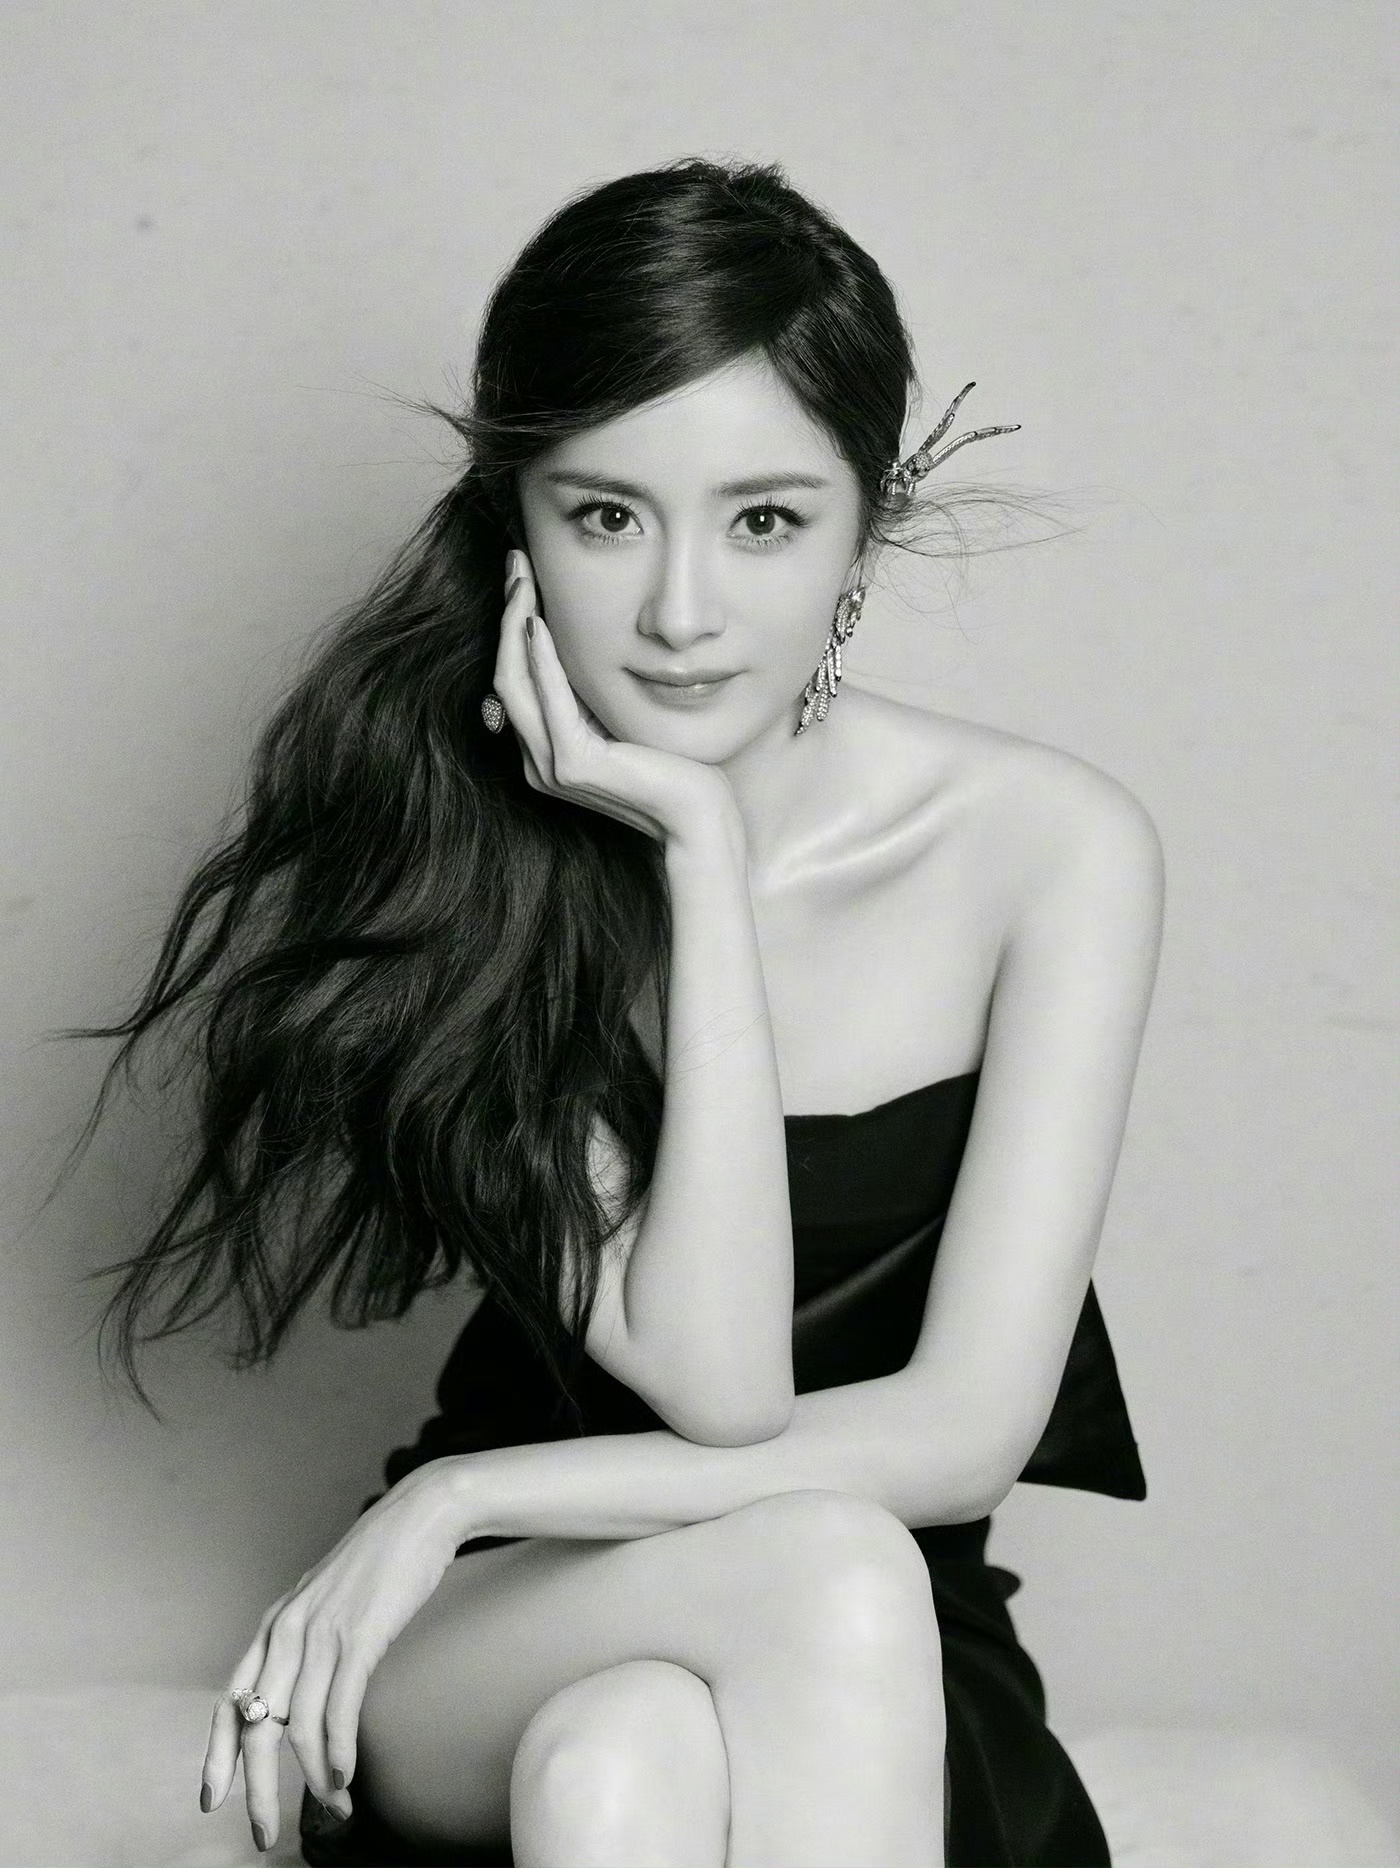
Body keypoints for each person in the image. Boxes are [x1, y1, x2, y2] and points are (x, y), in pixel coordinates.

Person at [88, 159, 1163, 1867]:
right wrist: (696, 859)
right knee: (811, 1570)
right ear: (515, 524)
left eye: (764, 521)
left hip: (863, 1630)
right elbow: (721, 1379)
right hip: (501, 1621)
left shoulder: (1052, 850)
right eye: (605, 516)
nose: (680, 612)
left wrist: (464, 1491)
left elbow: (962, 1440)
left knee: (629, 1759)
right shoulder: (461, 869)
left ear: (866, 525)